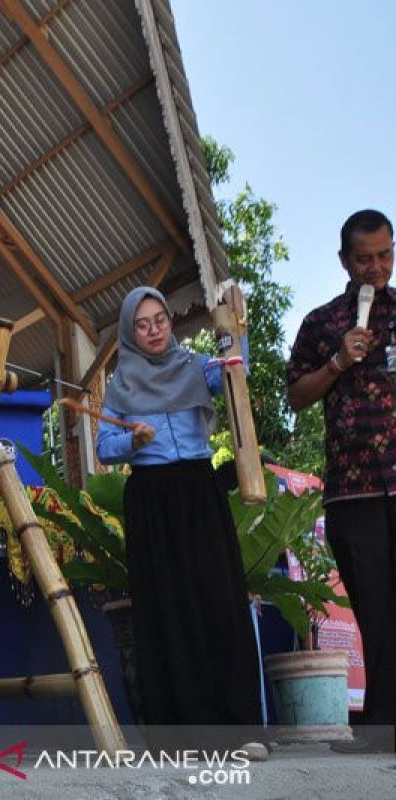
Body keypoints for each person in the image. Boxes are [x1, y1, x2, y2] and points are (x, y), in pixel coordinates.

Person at [96, 286, 266, 757]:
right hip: (151, 500)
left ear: (171, 322)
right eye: (143, 324)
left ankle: (241, 729)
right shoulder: (119, 385)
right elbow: (103, 447)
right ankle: (180, 738)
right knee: (164, 607)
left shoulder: (194, 367)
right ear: (130, 332)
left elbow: (236, 371)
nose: (153, 331)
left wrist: (235, 322)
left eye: (160, 320)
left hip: (198, 491)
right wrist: (133, 443)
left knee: (220, 599)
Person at [288, 208, 396, 753]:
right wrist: (336, 362)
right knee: (374, 609)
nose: (376, 267)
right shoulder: (321, 323)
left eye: (385, 255)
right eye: (364, 258)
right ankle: (381, 728)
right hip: (352, 489)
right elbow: (296, 395)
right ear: (343, 261)